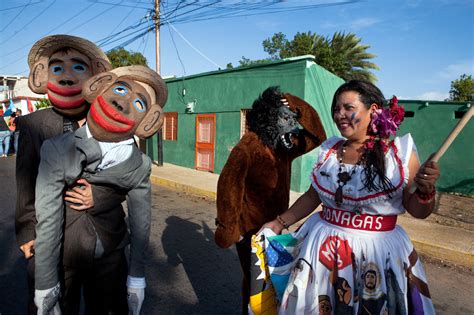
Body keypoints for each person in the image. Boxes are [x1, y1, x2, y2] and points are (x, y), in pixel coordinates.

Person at [262, 80, 439, 314]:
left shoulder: (399, 154)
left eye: (348, 108)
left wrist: (426, 192)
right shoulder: (330, 152)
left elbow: (418, 210)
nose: (340, 115)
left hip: (378, 254)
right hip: (322, 249)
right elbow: (312, 196)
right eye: (336, 109)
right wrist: (279, 222)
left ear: (373, 110)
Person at [33, 65, 167, 315]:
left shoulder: (138, 164)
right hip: (66, 252)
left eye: (139, 104)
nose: (121, 103)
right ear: (99, 87)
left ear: (148, 123)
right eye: (119, 89)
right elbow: (48, 218)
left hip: (110, 250)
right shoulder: (57, 148)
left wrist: (136, 278)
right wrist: (45, 284)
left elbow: (141, 224)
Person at [14, 34, 113, 314]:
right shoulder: (34, 125)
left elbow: (132, 177)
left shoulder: (115, 121)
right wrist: (26, 231)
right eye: (57, 68)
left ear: (95, 76)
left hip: (103, 241)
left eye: (78, 67)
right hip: (51, 244)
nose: (67, 77)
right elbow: (25, 182)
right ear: (44, 76)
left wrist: (101, 195)